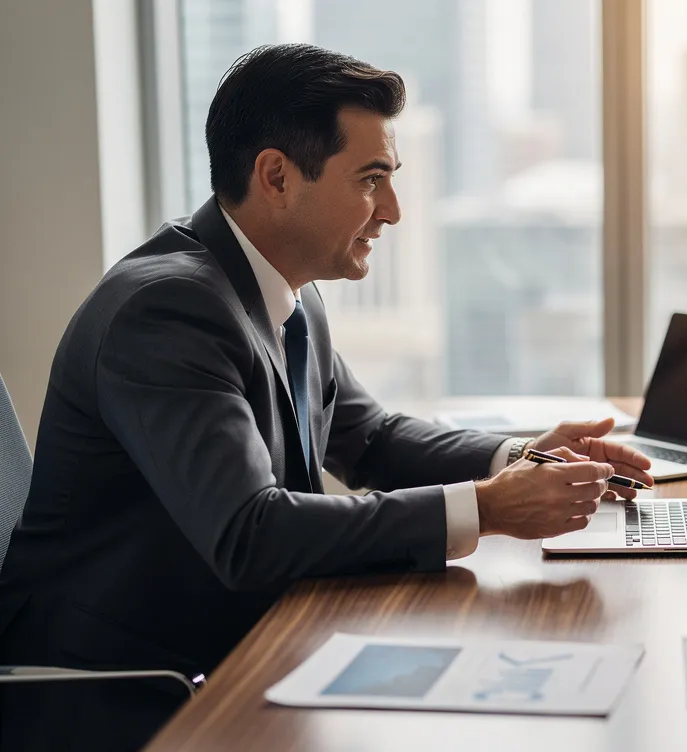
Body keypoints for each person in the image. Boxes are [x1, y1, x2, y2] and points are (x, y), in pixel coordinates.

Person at [0, 43, 652, 751]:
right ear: (276, 177)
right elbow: (250, 533)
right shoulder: (165, 312)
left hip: (238, 648)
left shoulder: (285, 293)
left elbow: (370, 437)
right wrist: (488, 510)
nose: (393, 211)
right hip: (118, 689)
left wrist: (522, 458)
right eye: (371, 180)